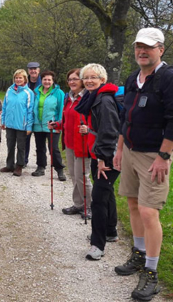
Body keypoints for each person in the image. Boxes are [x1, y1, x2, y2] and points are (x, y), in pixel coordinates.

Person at [113, 28, 173, 301]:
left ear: (161, 49)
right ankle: (138, 254)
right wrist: (119, 148)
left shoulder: (168, 78)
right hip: (130, 151)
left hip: (153, 156)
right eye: (138, 46)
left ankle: (151, 272)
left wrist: (164, 156)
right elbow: (127, 117)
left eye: (148, 47)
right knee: (133, 205)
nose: (142, 51)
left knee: (149, 212)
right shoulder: (132, 78)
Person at [74, 63, 119, 261]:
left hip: (107, 156)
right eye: (86, 77)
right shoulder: (95, 97)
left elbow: (109, 132)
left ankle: (97, 244)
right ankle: (110, 231)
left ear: (103, 80)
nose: (89, 80)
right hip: (99, 153)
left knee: (99, 199)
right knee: (107, 193)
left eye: (94, 77)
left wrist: (102, 159)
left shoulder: (104, 101)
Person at [50, 69, 93, 217]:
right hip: (69, 143)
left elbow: (96, 121)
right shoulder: (68, 98)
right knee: (75, 176)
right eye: (69, 79)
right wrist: (58, 124)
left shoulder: (89, 98)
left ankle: (90, 206)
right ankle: (78, 204)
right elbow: (67, 119)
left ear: (82, 81)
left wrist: (89, 129)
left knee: (82, 176)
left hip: (83, 143)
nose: (72, 82)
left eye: (75, 79)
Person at [31, 70, 66, 180]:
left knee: (53, 148)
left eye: (49, 80)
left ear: (53, 81)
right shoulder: (36, 91)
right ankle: (41, 167)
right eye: (45, 79)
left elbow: (61, 109)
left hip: (52, 124)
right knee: (40, 147)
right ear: (41, 80)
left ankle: (59, 170)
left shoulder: (59, 93)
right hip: (38, 124)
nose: (47, 81)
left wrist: (59, 124)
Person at [0, 69, 34, 176]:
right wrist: (3, 121)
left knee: (21, 146)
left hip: (21, 125)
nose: (18, 80)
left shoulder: (28, 93)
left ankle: (19, 166)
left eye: (20, 78)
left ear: (25, 79)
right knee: (10, 145)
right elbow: (5, 106)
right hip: (9, 123)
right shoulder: (9, 91)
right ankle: (10, 165)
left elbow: (30, 110)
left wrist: (29, 126)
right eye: (16, 78)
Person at [25, 62, 42, 165]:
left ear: (38, 70)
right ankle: (23, 161)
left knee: (40, 142)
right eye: (31, 69)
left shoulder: (43, 82)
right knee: (24, 140)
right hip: (26, 117)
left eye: (35, 68)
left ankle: (40, 164)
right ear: (28, 71)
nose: (33, 71)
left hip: (38, 117)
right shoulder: (24, 82)